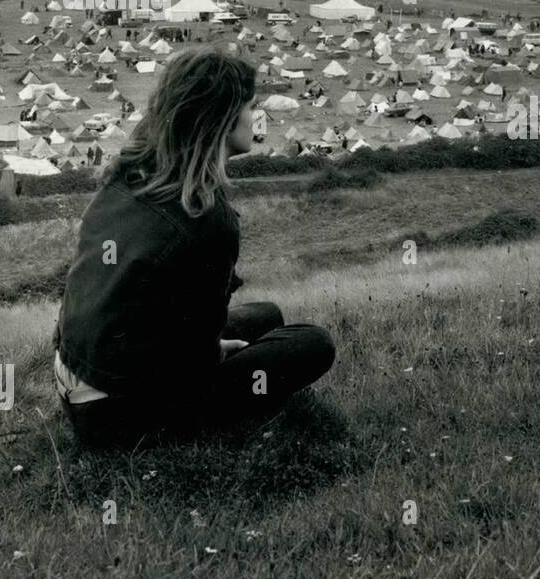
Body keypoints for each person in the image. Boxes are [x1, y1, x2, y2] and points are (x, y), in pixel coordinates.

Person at [52, 46, 336, 449]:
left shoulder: (136, 170)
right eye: (250, 107)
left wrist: (213, 346)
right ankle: (196, 427)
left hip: (80, 374)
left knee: (267, 314)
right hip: (117, 416)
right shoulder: (207, 219)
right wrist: (217, 354)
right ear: (220, 117)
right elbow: (194, 364)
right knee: (312, 343)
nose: (255, 117)